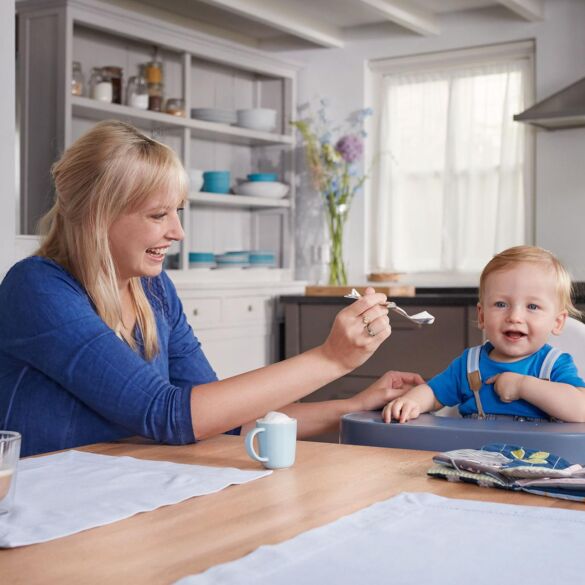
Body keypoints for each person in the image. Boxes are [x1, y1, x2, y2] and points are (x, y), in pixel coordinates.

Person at [0, 120, 423, 457]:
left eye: (178, 212)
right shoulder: (37, 288)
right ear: (96, 214)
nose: (178, 232)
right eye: (158, 214)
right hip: (46, 511)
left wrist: (353, 406)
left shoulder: (155, 291)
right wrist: (331, 359)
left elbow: (220, 418)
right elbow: (168, 414)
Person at [383, 245, 585, 424]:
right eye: (501, 304)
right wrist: (411, 401)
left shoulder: (553, 366)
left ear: (557, 322)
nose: (514, 316)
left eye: (532, 306)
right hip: (474, 459)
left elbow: (581, 409)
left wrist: (523, 385)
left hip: (537, 463)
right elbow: (434, 394)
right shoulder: (469, 365)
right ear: (482, 316)